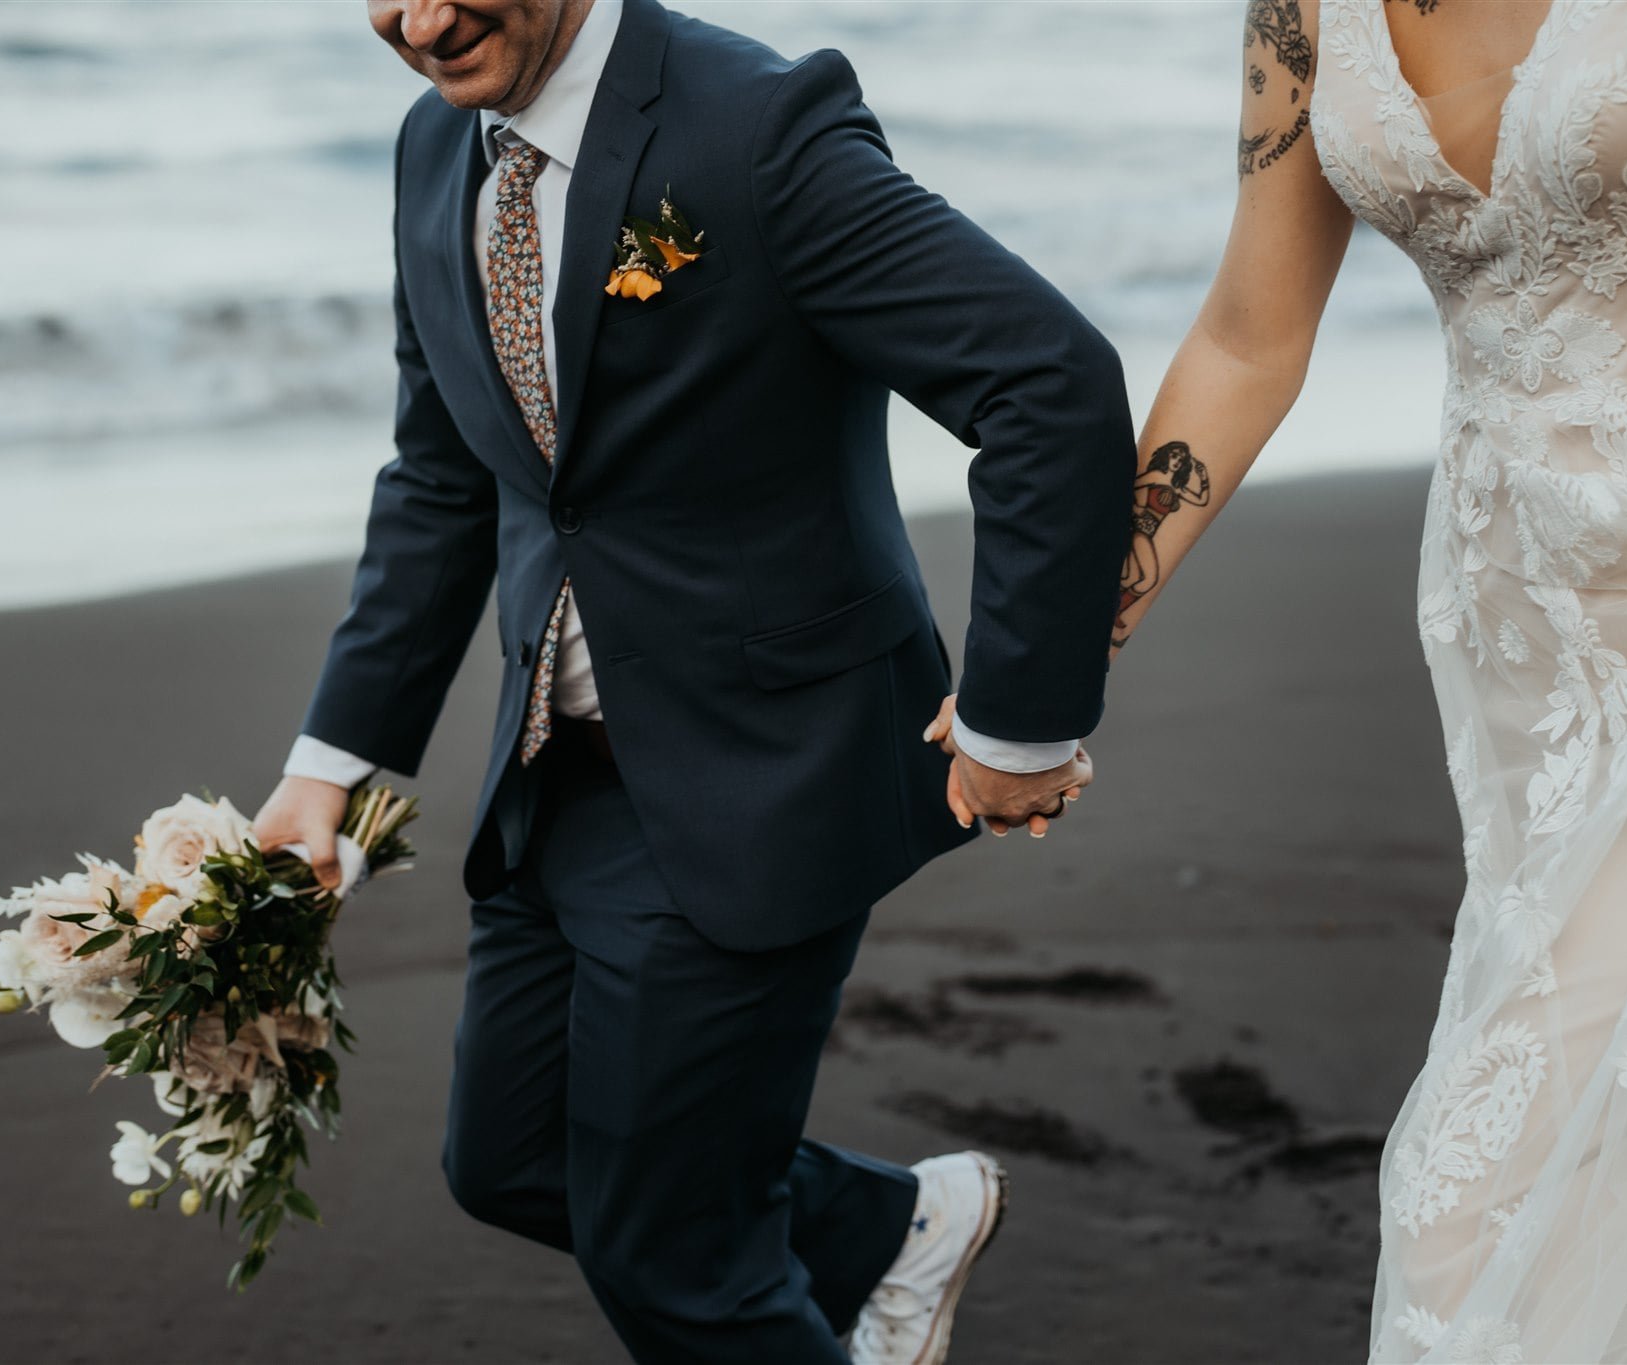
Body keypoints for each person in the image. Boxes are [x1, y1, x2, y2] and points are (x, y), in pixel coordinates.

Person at [969, 0, 1627, 1359]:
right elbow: (1249, 337)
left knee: (1534, 1203)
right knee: (1624, 1197)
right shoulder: (1299, 9)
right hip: (1533, 673)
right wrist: (1070, 637)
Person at [249, 2, 1135, 1361]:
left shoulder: (759, 129)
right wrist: (331, 764)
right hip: (555, 769)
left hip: (758, 763)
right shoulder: (435, 155)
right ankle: (884, 1229)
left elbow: (1047, 379)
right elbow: (442, 481)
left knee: (672, 1255)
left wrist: (1021, 716)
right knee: (509, 1156)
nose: (421, 21)